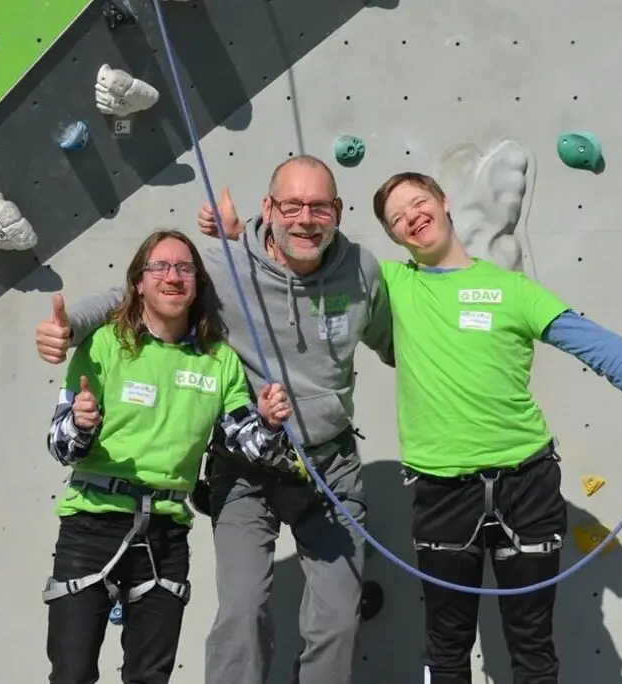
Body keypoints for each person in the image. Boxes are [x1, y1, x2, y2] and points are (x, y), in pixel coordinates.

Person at [34, 155, 395, 684]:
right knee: (242, 614)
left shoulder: (362, 272)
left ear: (337, 211)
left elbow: (399, 344)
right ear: (268, 209)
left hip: (330, 466)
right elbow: (141, 291)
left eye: (319, 207)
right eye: (291, 205)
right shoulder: (224, 269)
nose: (305, 219)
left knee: (338, 622)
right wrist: (70, 330)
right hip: (246, 471)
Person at [369, 171, 622, 684]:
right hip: (442, 492)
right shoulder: (394, 284)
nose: (412, 218)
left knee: (532, 646)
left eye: (418, 203)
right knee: (446, 646)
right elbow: (315, 257)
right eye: (397, 219)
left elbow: (591, 342)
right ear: (394, 238)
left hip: (526, 486)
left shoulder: (512, 290)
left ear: (443, 202)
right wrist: (246, 238)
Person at [42, 228, 293, 684]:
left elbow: (246, 442)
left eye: (184, 268)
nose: (172, 277)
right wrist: (80, 425)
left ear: (196, 282)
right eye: (159, 267)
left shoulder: (218, 360)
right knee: (72, 672)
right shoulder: (102, 346)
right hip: (91, 524)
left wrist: (270, 424)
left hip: (165, 533)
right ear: (138, 281)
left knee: (150, 676)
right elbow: (60, 446)